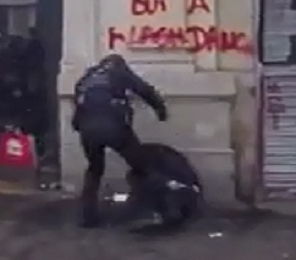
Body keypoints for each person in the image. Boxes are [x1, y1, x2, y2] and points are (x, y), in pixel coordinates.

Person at [72, 53, 168, 228]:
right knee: (143, 166)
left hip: (88, 130)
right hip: (114, 128)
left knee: (94, 169)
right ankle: (155, 210)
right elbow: (144, 90)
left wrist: (81, 127)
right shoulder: (119, 72)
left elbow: (78, 104)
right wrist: (160, 110)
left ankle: (88, 217)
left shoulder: (87, 77)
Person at [125, 142, 202, 229]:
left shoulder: (165, 163)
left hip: (177, 184)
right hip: (177, 182)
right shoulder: (159, 159)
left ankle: (163, 212)